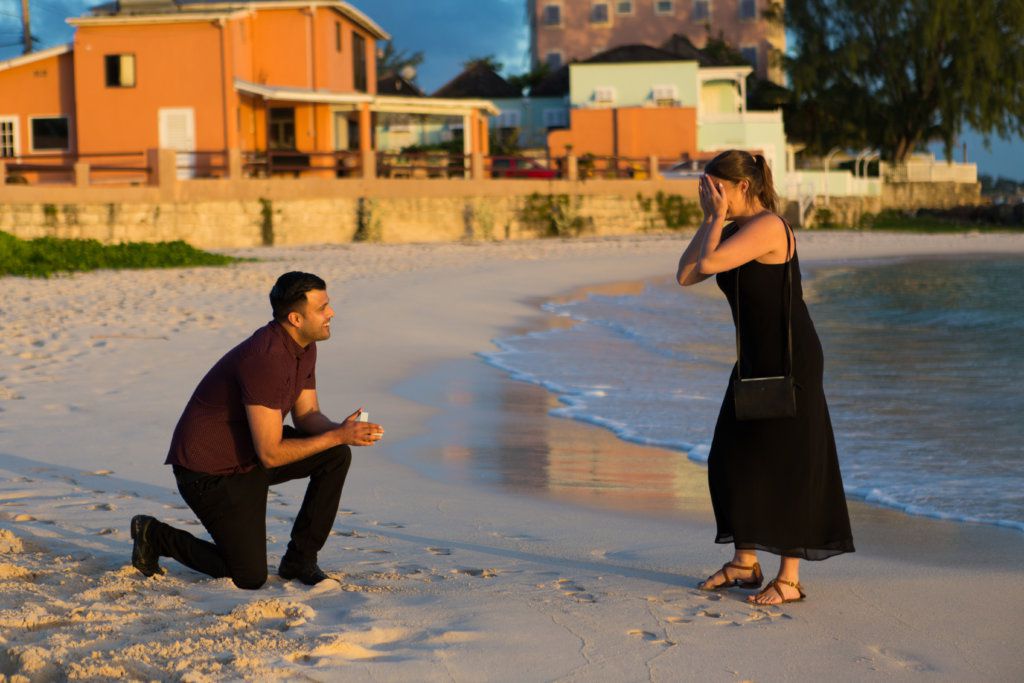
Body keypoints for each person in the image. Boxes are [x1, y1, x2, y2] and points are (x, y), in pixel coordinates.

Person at [676, 150, 854, 606]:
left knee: (786, 463)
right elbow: (685, 274)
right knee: (731, 457)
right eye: (706, 187)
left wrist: (715, 219)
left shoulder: (769, 227)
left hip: (790, 360)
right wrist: (709, 219)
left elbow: (711, 265)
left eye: (718, 187)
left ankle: (789, 580)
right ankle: (744, 562)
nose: (711, 194)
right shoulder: (730, 228)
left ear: (743, 187)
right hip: (754, 359)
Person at [130, 271, 384, 589]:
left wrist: (344, 432)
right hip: (209, 473)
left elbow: (307, 416)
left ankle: (300, 560)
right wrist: (337, 435)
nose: (331, 313)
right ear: (295, 317)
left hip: (250, 455)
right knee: (249, 577)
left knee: (335, 454)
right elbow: (271, 452)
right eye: (323, 308)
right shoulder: (266, 359)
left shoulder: (304, 346)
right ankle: (155, 536)